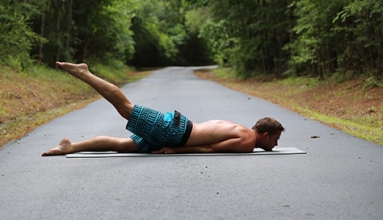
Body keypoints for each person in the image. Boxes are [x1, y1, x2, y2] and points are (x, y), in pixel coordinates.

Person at [42, 62, 285, 156]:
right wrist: (176, 149)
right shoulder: (246, 141)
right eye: (275, 140)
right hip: (175, 132)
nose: (275, 144)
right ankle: (86, 73)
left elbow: (210, 142)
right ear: (264, 135)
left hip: (177, 129)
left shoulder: (241, 129)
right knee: (126, 109)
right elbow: (209, 148)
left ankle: (70, 146)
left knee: (123, 145)